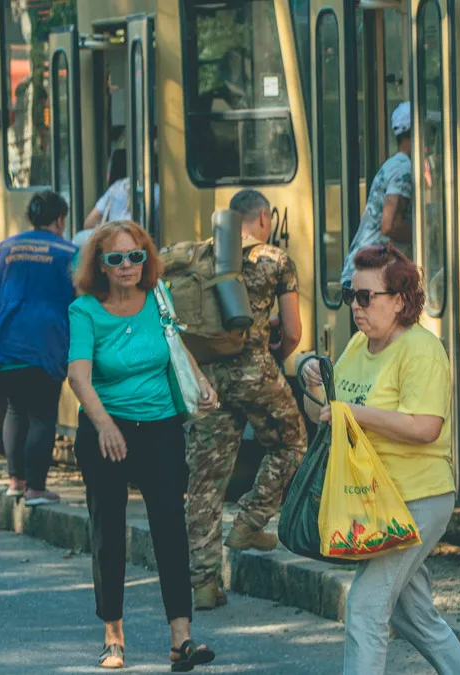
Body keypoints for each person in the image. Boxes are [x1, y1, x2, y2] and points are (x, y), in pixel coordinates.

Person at [302, 244, 460, 675]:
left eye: (366, 297)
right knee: (410, 614)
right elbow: (328, 415)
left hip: (418, 497)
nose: (356, 309)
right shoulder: (360, 346)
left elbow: (425, 427)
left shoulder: (421, 350)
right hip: (377, 500)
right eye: (350, 296)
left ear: (400, 300)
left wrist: (357, 414)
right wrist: (312, 389)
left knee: (365, 605)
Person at [66, 220, 217, 671]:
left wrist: (200, 383)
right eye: (116, 259)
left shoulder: (158, 297)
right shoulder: (85, 312)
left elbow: (175, 346)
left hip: (160, 427)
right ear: (101, 266)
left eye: (135, 256)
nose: (128, 265)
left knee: (170, 528)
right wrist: (105, 426)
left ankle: (181, 639)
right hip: (106, 429)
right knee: (108, 531)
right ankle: (114, 637)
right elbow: (78, 375)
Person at [186, 189, 307, 610]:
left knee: (204, 482)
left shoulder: (202, 255)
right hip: (254, 371)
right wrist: (270, 359)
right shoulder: (276, 259)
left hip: (205, 377)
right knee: (292, 442)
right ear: (262, 217)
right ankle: (251, 521)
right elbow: (292, 332)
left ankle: (203, 584)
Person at [0, 191, 78, 506]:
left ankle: (15, 482)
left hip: (6, 339)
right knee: (43, 414)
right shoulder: (68, 252)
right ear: (60, 220)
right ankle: (36, 488)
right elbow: (80, 290)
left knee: (15, 408)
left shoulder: (3, 248)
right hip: (46, 341)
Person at [340, 102, 414, 285]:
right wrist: (424, 235)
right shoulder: (404, 168)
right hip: (370, 276)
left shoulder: (392, 164)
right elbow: (389, 225)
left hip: (361, 271)